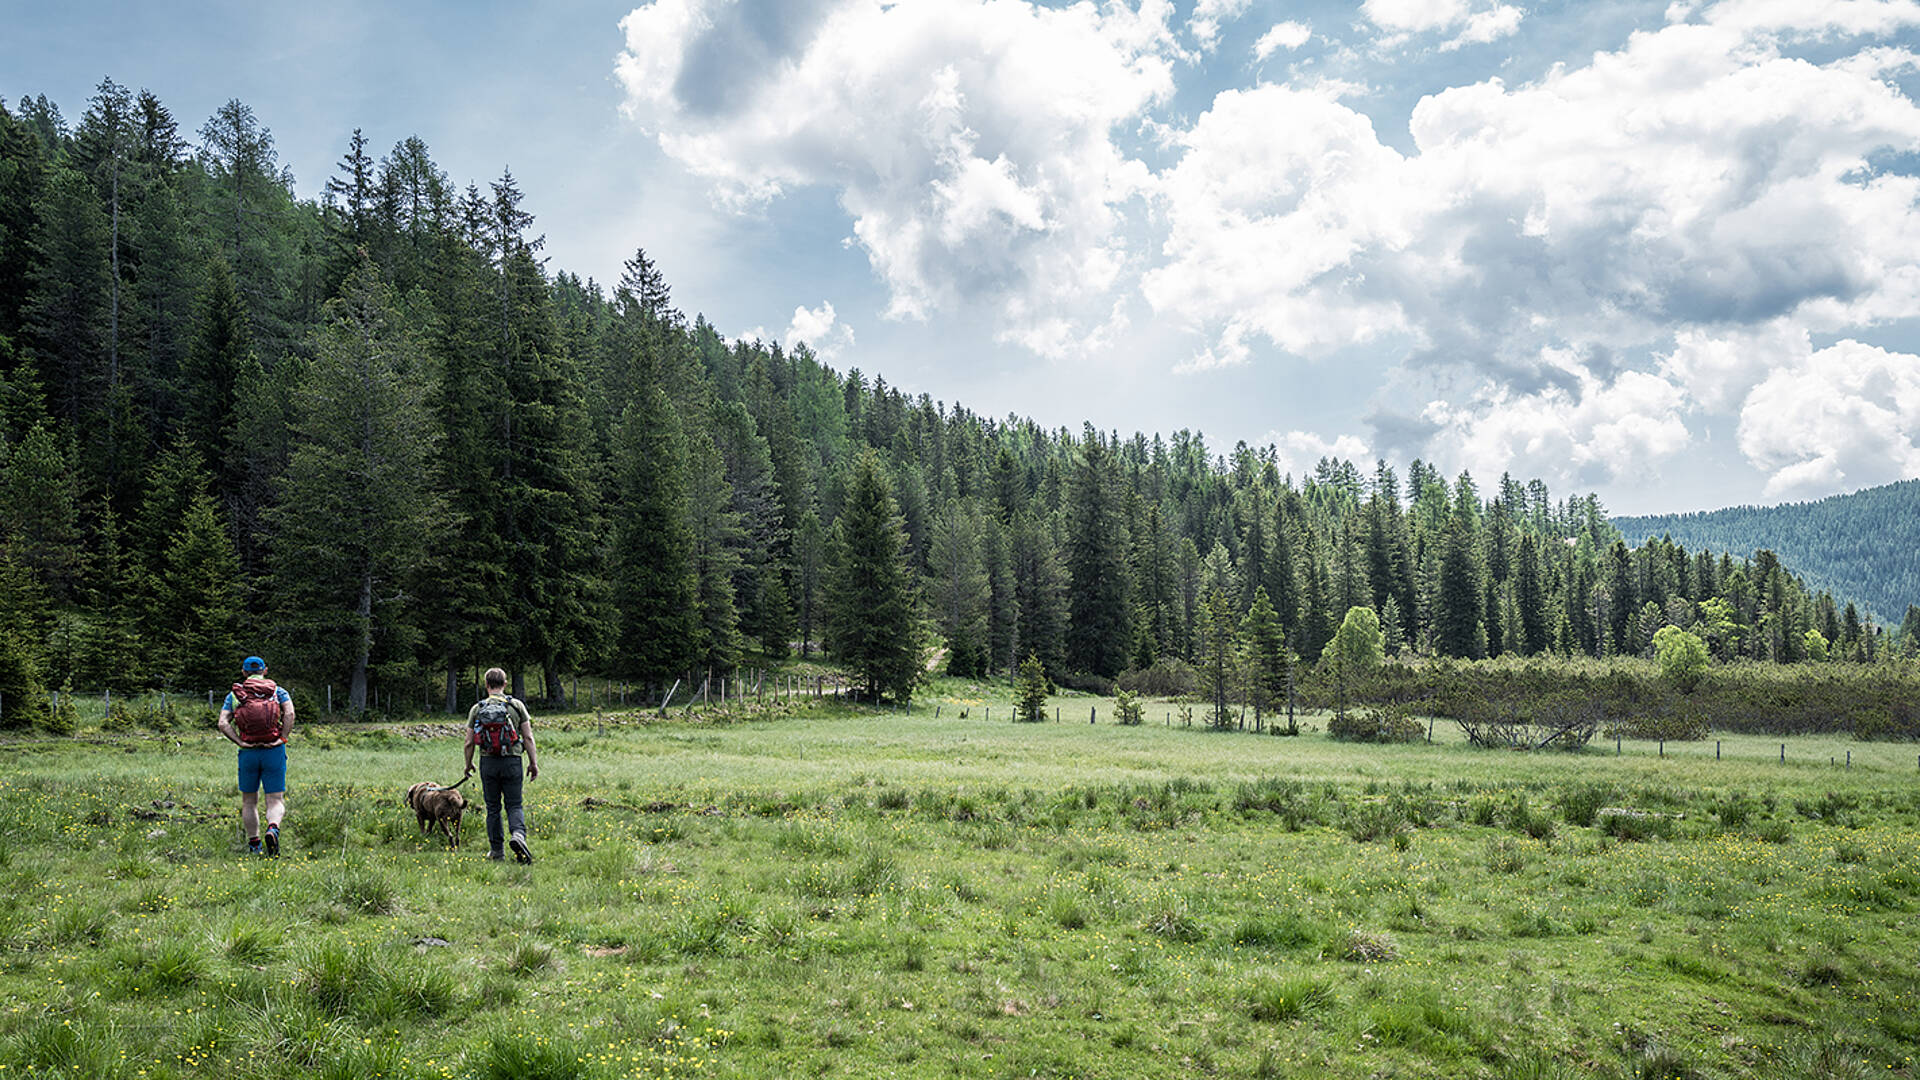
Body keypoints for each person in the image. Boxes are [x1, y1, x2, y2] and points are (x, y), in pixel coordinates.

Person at [214, 655, 295, 857]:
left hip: (248, 752)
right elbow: (290, 714)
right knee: (275, 799)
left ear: (244, 672)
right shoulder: (278, 691)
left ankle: (255, 845)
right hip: (273, 751)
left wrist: (240, 742)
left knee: (249, 801)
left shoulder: (234, 695)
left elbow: (223, 723)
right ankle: (273, 828)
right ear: (264, 670)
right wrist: (282, 738)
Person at [464, 667, 539, 863]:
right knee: (514, 804)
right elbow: (528, 738)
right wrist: (533, 763)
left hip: (488, 762)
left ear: (487, 685)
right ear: (505, 684)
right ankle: (518, 836)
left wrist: (468, 764)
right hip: (512, 760)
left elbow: (469, 742)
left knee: (493, 807)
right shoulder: (516, 706)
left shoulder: (477, 708)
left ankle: (497, 851)